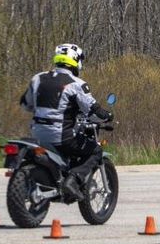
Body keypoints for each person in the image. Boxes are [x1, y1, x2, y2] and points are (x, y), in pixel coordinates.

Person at [20, 43, 113, 201]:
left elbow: (26, 104)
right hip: (61, 137)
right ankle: (73, 180)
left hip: (37, 135)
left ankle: (54, 180)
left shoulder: (37, 78)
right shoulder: (76, 84)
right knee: (95, 151)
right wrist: (108, 116)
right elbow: (93, 111)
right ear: (76, 60)